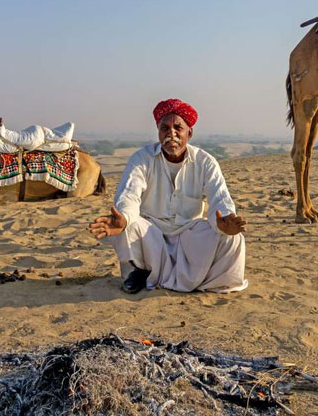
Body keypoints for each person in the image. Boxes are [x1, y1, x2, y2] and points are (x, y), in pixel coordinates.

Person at [88, 99, 248, 293]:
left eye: (178, 127)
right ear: (158, 132)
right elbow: (129, 194)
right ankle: (139, 272)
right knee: (127, 224)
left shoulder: (205, 162)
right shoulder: (142, 158)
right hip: (151, 231)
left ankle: (207, 282)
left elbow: (219, 197)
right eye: (165, 128)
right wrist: (125, 217)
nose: (171, 133)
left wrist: (224, 222)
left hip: (189, 232)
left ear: (189, 133)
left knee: (232, 238)